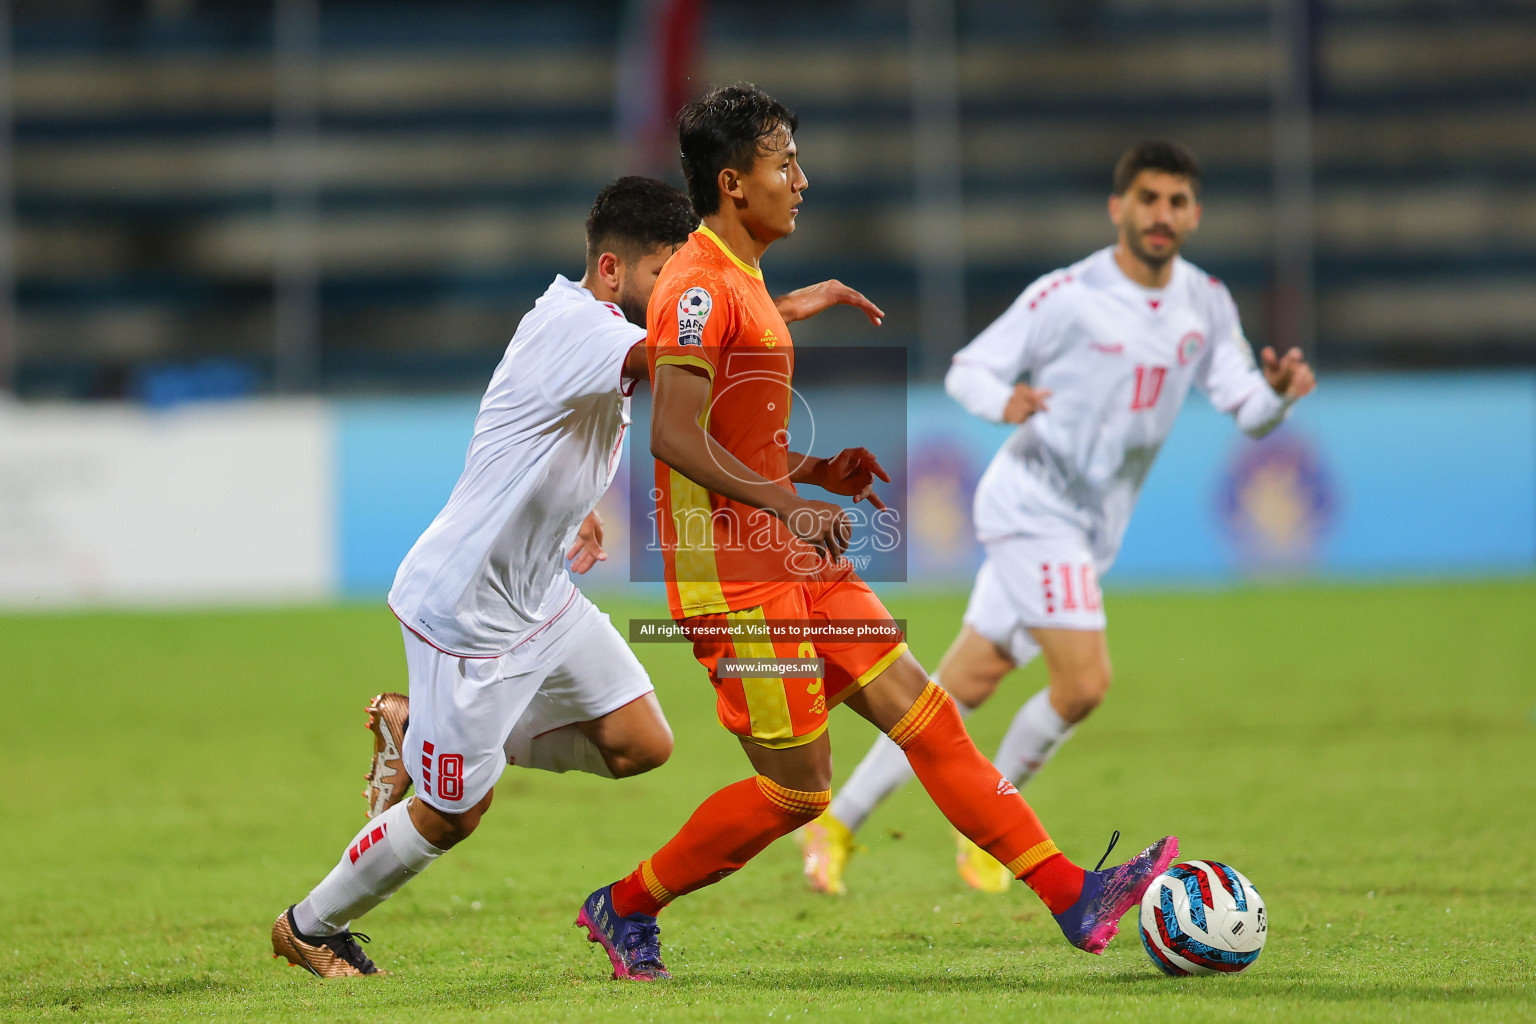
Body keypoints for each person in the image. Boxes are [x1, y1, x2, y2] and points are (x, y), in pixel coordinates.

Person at [574, 84, 1178, 983]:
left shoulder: (740, 279)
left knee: (930, 723)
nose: (802, 181)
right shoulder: (696, 290)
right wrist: (790, 506)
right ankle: (625, 904)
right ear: (735, 183)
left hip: (795, 558)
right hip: (734, 582)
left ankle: (1071, 894)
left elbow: (741, 434)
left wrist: (819, 476)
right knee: (797, 791)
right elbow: (674, 435)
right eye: (786, 165)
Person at [269, 175, 881, 978]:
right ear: (613, 271)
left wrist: (577, 509)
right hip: (469, 614)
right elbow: (681, 356)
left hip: (540, 596)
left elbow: (567, 420)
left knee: (639, 744)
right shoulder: (575, 325)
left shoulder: (594, 327)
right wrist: (781, 311)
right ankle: (308, 925)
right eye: (671, 280)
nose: (684, 297)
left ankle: (421, 731)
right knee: (453, 815)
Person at [799, 140, 1317, 896]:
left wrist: (1279, 395)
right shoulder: (1067, 295)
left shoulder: (1204, 302)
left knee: (958, 685)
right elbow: (968, 368)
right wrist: (1002, 401)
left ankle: (838, 821)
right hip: (1033, 508)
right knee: (1084, 684)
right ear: (1119, 208)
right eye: (1148, 198)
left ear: (1195, 214)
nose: (1162, 214)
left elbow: (1247, 404)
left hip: (1091, 528)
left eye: (1177, 201)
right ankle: (993, 832)